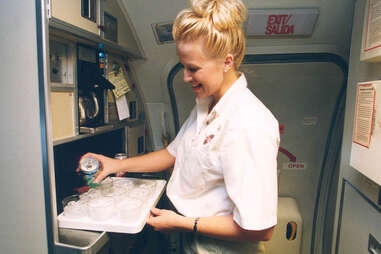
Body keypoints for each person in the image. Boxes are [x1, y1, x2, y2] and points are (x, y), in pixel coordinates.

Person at [83, 0, 279, 253]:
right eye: (184, 66)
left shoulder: (249, 122)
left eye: (193, 68)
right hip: (187, 231)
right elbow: (172, 154)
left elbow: (260, 229)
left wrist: (184, 224)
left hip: (215, 246)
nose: (186, 77)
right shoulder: (206, 105)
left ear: (227, 62)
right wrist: (116, 165)